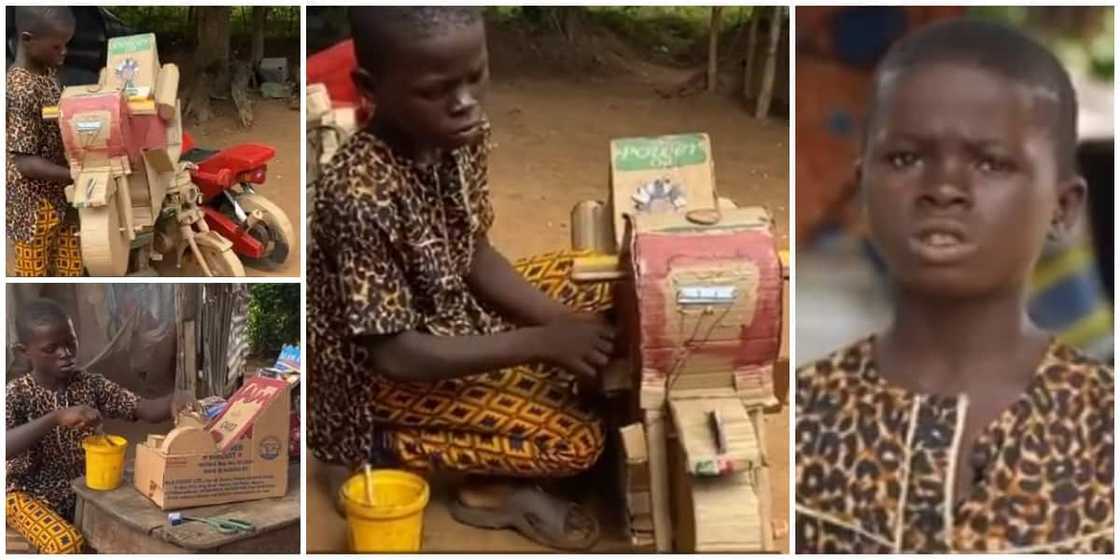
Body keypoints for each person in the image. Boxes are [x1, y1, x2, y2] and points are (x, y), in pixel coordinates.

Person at [795, 20, 1113, 553]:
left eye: (991, 163)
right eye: (905, 158)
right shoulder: (806, 418)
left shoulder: (1103, 425)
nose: (943, 188)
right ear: (863, 187)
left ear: (1063, 207)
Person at [307, 7, 615, 550]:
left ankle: (491, 417)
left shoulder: (459, 130)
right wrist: (542, 343)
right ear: (371, 88)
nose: (465, 102)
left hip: (445, 307)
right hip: (374, 379)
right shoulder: (356, 192)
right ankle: (382, 452)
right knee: (577, 440)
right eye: (437, 90)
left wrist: (566, 326)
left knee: (599, 289)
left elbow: (472, 251)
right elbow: (396, 354)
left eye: (476, 76)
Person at [6, 299, 195, 553]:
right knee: (67, 545)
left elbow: (143, 409)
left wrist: (176, 399)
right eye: (51, 348)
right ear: (23, 352)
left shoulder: (90, 384)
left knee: (135, 534)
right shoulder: (16, 394)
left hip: (86, 488)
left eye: (70, 342)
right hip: (26, 494)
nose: (65, 353)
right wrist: (55, 418)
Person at [7, 7, 81, 277]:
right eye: (56, 46)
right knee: (33, 273)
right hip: (32, 208)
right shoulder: (19, 88)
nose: (64, 52)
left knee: (70, 267)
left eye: (66, 45)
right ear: (27, 39)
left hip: (59, 196)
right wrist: (74, 175)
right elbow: (24, 162)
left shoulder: (47, 73)